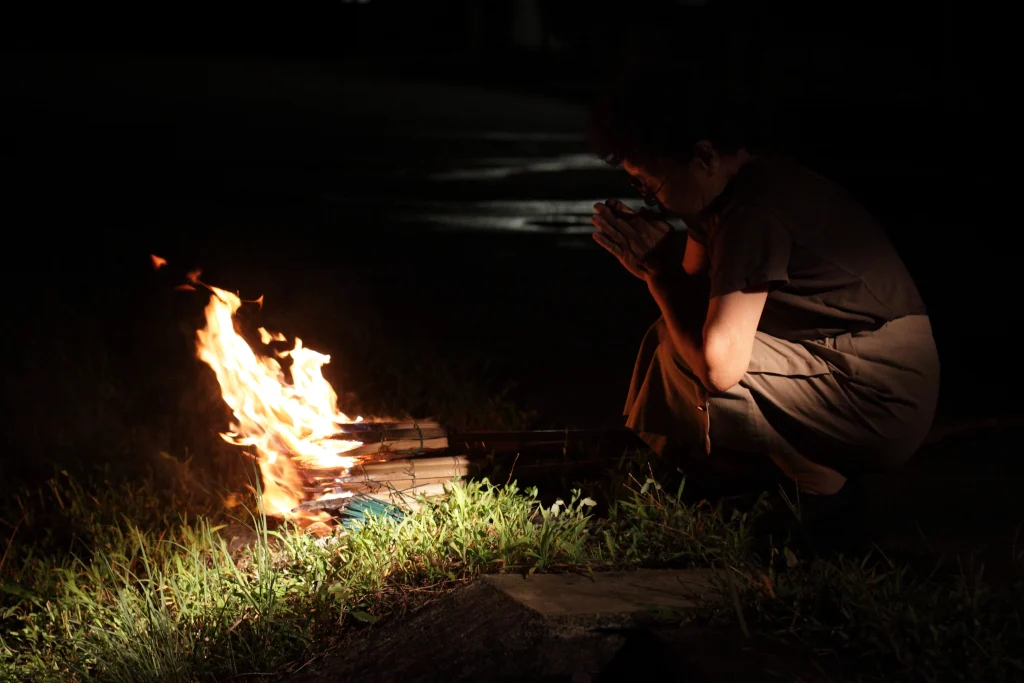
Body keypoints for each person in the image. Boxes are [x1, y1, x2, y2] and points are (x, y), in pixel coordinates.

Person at [586, 68, 940, 502]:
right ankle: (743, 476)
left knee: (690, 361)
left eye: (651, 183)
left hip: (882, 391)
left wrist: (659, 273)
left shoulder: (754, 209)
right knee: (672, 339)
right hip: (848, 366)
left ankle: (814, 490)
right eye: (638, 185)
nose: (651, 198)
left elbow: (719, 366)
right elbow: (693, 300)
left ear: (704, 157)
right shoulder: (724, 199)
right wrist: (662, 265)